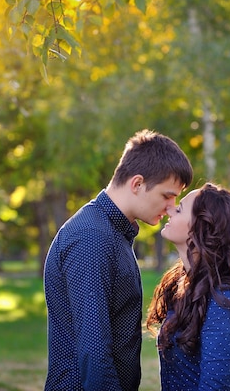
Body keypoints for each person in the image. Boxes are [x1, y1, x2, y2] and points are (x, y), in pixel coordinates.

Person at [44, 129, 194, 391]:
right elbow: (94, 352)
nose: (172, 206)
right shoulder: (91, 238)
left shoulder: (111, 232)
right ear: (137, 184)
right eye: (167, 195)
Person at [146, 182, 230, 391]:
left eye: (180, 209)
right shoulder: (181, 286)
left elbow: (214, 387)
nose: (169, 209)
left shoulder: (224, 302)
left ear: (200, 228)